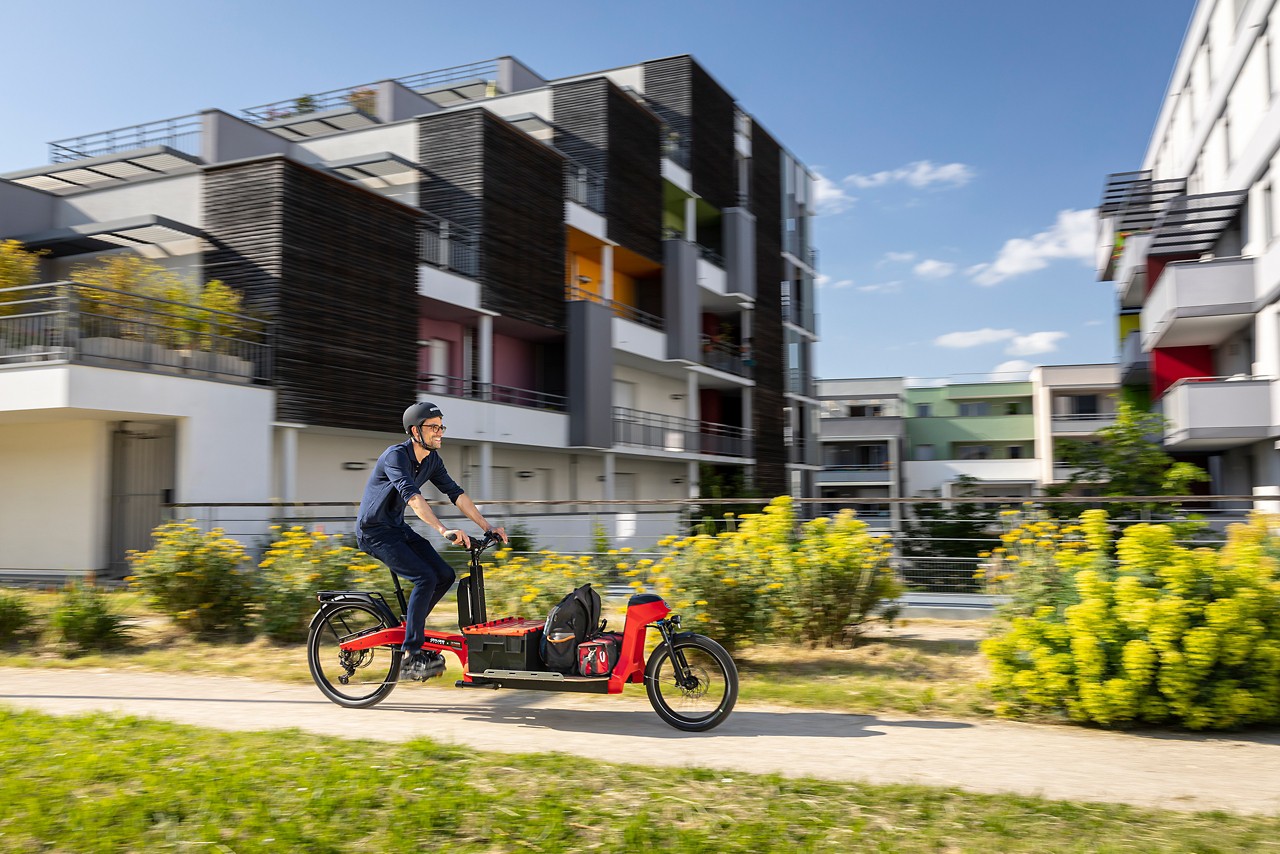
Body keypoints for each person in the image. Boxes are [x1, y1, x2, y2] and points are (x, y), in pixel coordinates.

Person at [355, 401, 508, 681]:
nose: (440, 432)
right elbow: (412, 498)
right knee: (425, 577)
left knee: (444, 574)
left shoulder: (432, 460)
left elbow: (456, 494)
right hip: (374, 532)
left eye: (441, 427)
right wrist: (442, 529)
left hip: (396, 528)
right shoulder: (396, 457)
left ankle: (411, 625)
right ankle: (411, 656)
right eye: (433, 427)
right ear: (415, 430)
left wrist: (488, 526)